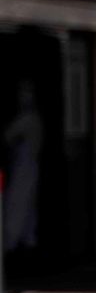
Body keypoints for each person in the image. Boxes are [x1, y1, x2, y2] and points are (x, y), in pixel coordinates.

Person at [3, 81, 43, 258]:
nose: (24, 96)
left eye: (26, 93)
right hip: (27, 163)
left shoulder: (28, 118)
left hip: (25, 164)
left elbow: (8, 136)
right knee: (25, 203)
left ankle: (13, 242)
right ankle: (26, 240)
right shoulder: (32, 117)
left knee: (18, 201)